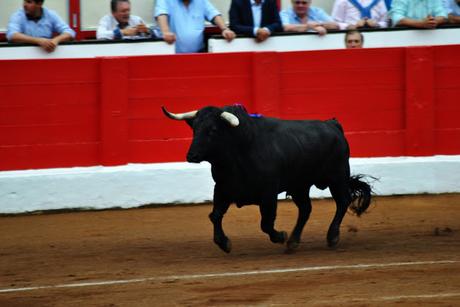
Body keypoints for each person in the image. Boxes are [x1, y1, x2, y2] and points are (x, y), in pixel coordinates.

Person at [154, 0, 235, 53]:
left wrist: (224, 29)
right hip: (171, 54)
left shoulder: (201, 1)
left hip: (198, 54)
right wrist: (166, 32)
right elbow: (161, 14)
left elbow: (214, 14)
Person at [6, 0, 75, 53]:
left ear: (39, 4)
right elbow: (12, 35)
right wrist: (38, 41)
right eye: (24, 1)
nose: (24, 5)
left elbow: (69, 32)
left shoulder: (51, 14)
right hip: (23, 57)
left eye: (29, 2)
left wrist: (55, 40)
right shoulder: (17, 15)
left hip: (47, 56)